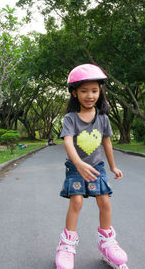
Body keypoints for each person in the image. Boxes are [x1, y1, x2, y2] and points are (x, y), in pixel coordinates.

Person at [55, 64, 128, 269]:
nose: (90, 95)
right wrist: (78, 163)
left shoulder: (103, 118)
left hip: (97, 167)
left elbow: (107, 143)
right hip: (75, 168)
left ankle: (107, 243)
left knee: (104, 201)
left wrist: (113, 167)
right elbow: (68, 141)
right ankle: (66, 246)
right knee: (76, 201)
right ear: (74, 92)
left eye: (94, 90)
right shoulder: (70, 118)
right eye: (84, 91)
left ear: (100, 92)